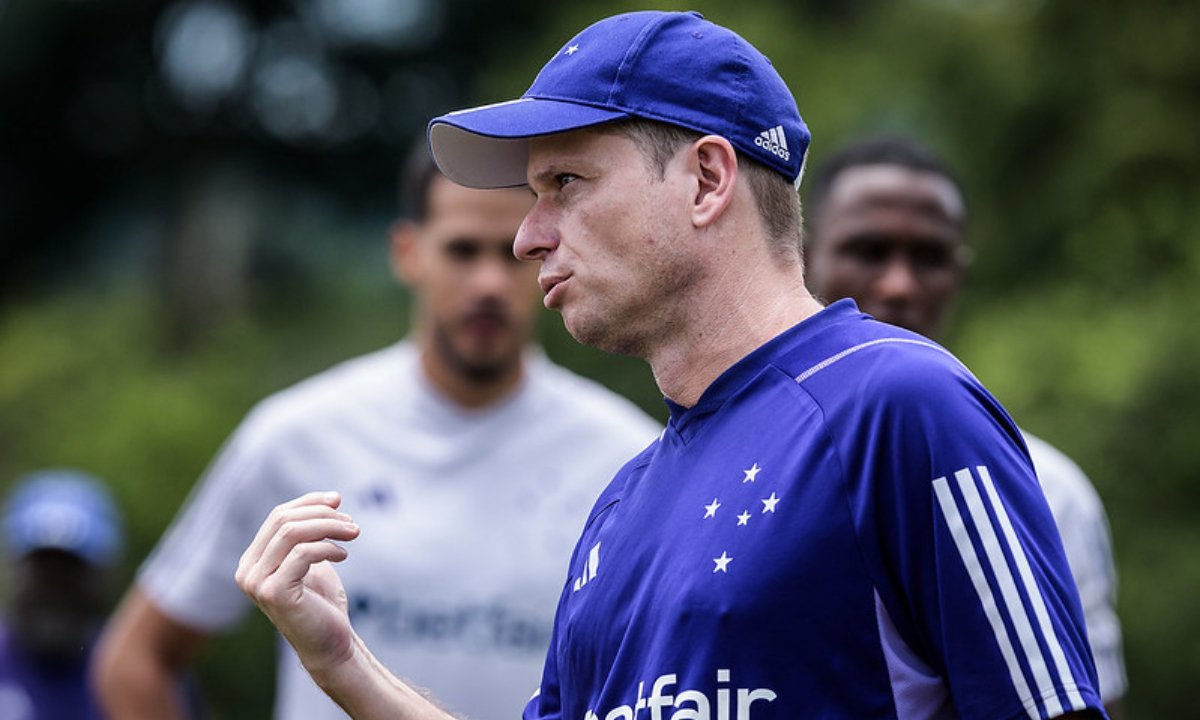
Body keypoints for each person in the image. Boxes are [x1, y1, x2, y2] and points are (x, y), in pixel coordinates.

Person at [236, 11, 1108, 719]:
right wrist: (345, 666)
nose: (527, 237)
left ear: (706, 180)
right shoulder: (620, 502)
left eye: (566, 184)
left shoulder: (900, 404)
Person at [91, 144, 662, 720]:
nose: (489, 282)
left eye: (511, 252)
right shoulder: (296, 435)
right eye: (462, 250)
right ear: (408, 252)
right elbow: (135, 662)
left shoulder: (629, 460)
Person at [802, 135, 1128, 715]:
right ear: (803, 259)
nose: (900, 284)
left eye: (929, 257)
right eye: (868, 251)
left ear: (960, 273)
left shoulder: (1043, 491)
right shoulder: (727, 474)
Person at [0, 469, 123, 720]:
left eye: (70, 573)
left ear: (104, 577)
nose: (54, 591)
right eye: (42, 572)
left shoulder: (140, 674)